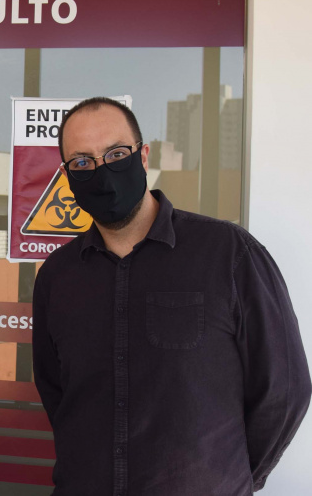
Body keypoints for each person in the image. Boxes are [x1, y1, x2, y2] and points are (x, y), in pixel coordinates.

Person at [32, 97, 311, 495]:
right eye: (82, 162)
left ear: (143, 155)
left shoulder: (230, 254)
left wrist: (229, 477)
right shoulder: (57, 277)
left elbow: (284, 391)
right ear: (68, 174)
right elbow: (57, 392)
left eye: (115, 153)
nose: (101, 171)